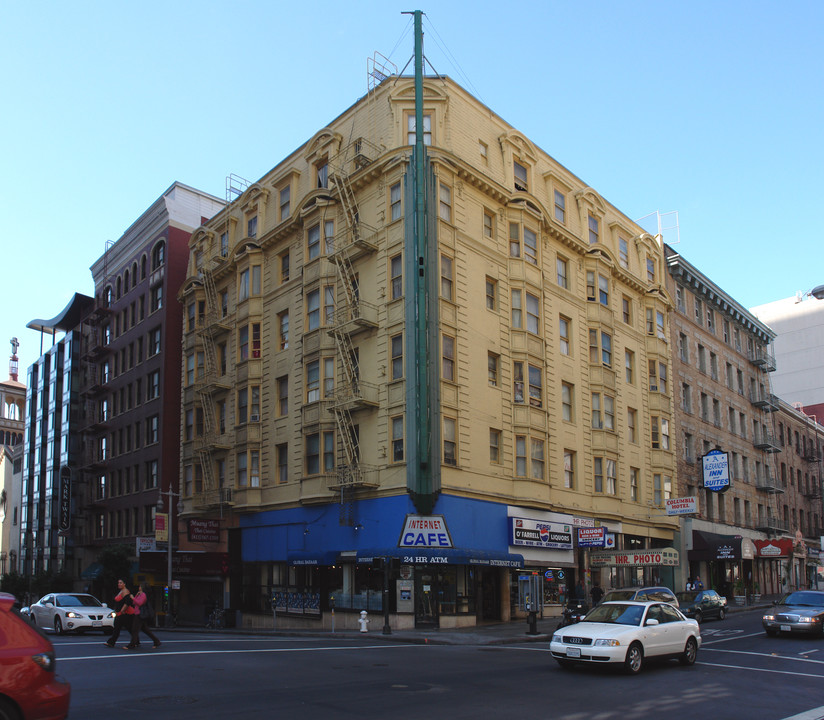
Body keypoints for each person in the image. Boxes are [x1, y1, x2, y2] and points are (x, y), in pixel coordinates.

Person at [125, 582, 161, 650]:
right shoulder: (140, 594)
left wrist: (133, 598)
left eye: (140, 586)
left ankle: (132, 644)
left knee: (135, 630)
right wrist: (136, 596)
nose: (139, 587)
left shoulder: (144, 595)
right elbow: (134, 603)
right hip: (137, 613)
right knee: (145, 630)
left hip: (140, 614)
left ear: (143, 587)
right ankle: (156, 641)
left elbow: (139, 603)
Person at [104, 579, 136, 648]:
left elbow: (127, 602)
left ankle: (135, 641)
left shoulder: (126, 591)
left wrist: (122, 610)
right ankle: (111, 642)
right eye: (118, 583)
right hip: (119, 613)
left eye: (121, 583)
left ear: (124, 584)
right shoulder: (121, 591)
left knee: (128, 628)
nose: (119, 584)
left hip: (125, 613)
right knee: (117, 628)